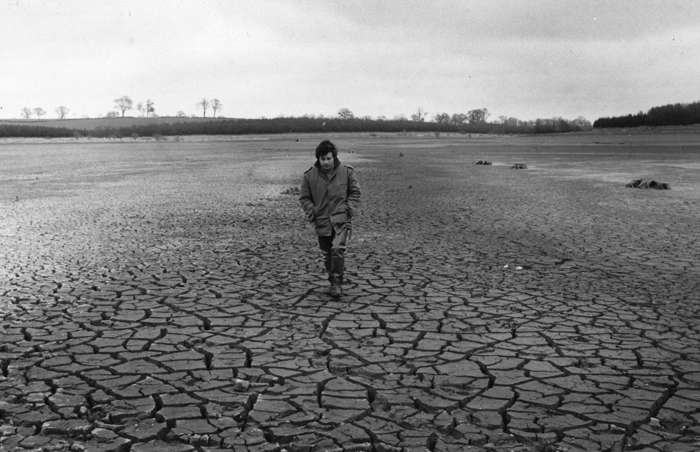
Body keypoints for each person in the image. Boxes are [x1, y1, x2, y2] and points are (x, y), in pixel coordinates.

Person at [300, 140, 361, 297]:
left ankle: (336, 283)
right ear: (318, 159)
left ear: (334, 157)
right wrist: (311, 210)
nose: (326, 162)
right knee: (327, 254)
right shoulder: (309, 176)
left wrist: (348, 208)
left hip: (341, 219)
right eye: (323, 159)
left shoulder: (346, 172)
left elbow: (355, 192)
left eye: (328, 158)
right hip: (321, 221)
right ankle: (332, 279)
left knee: (337, 250)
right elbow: (304, 198)